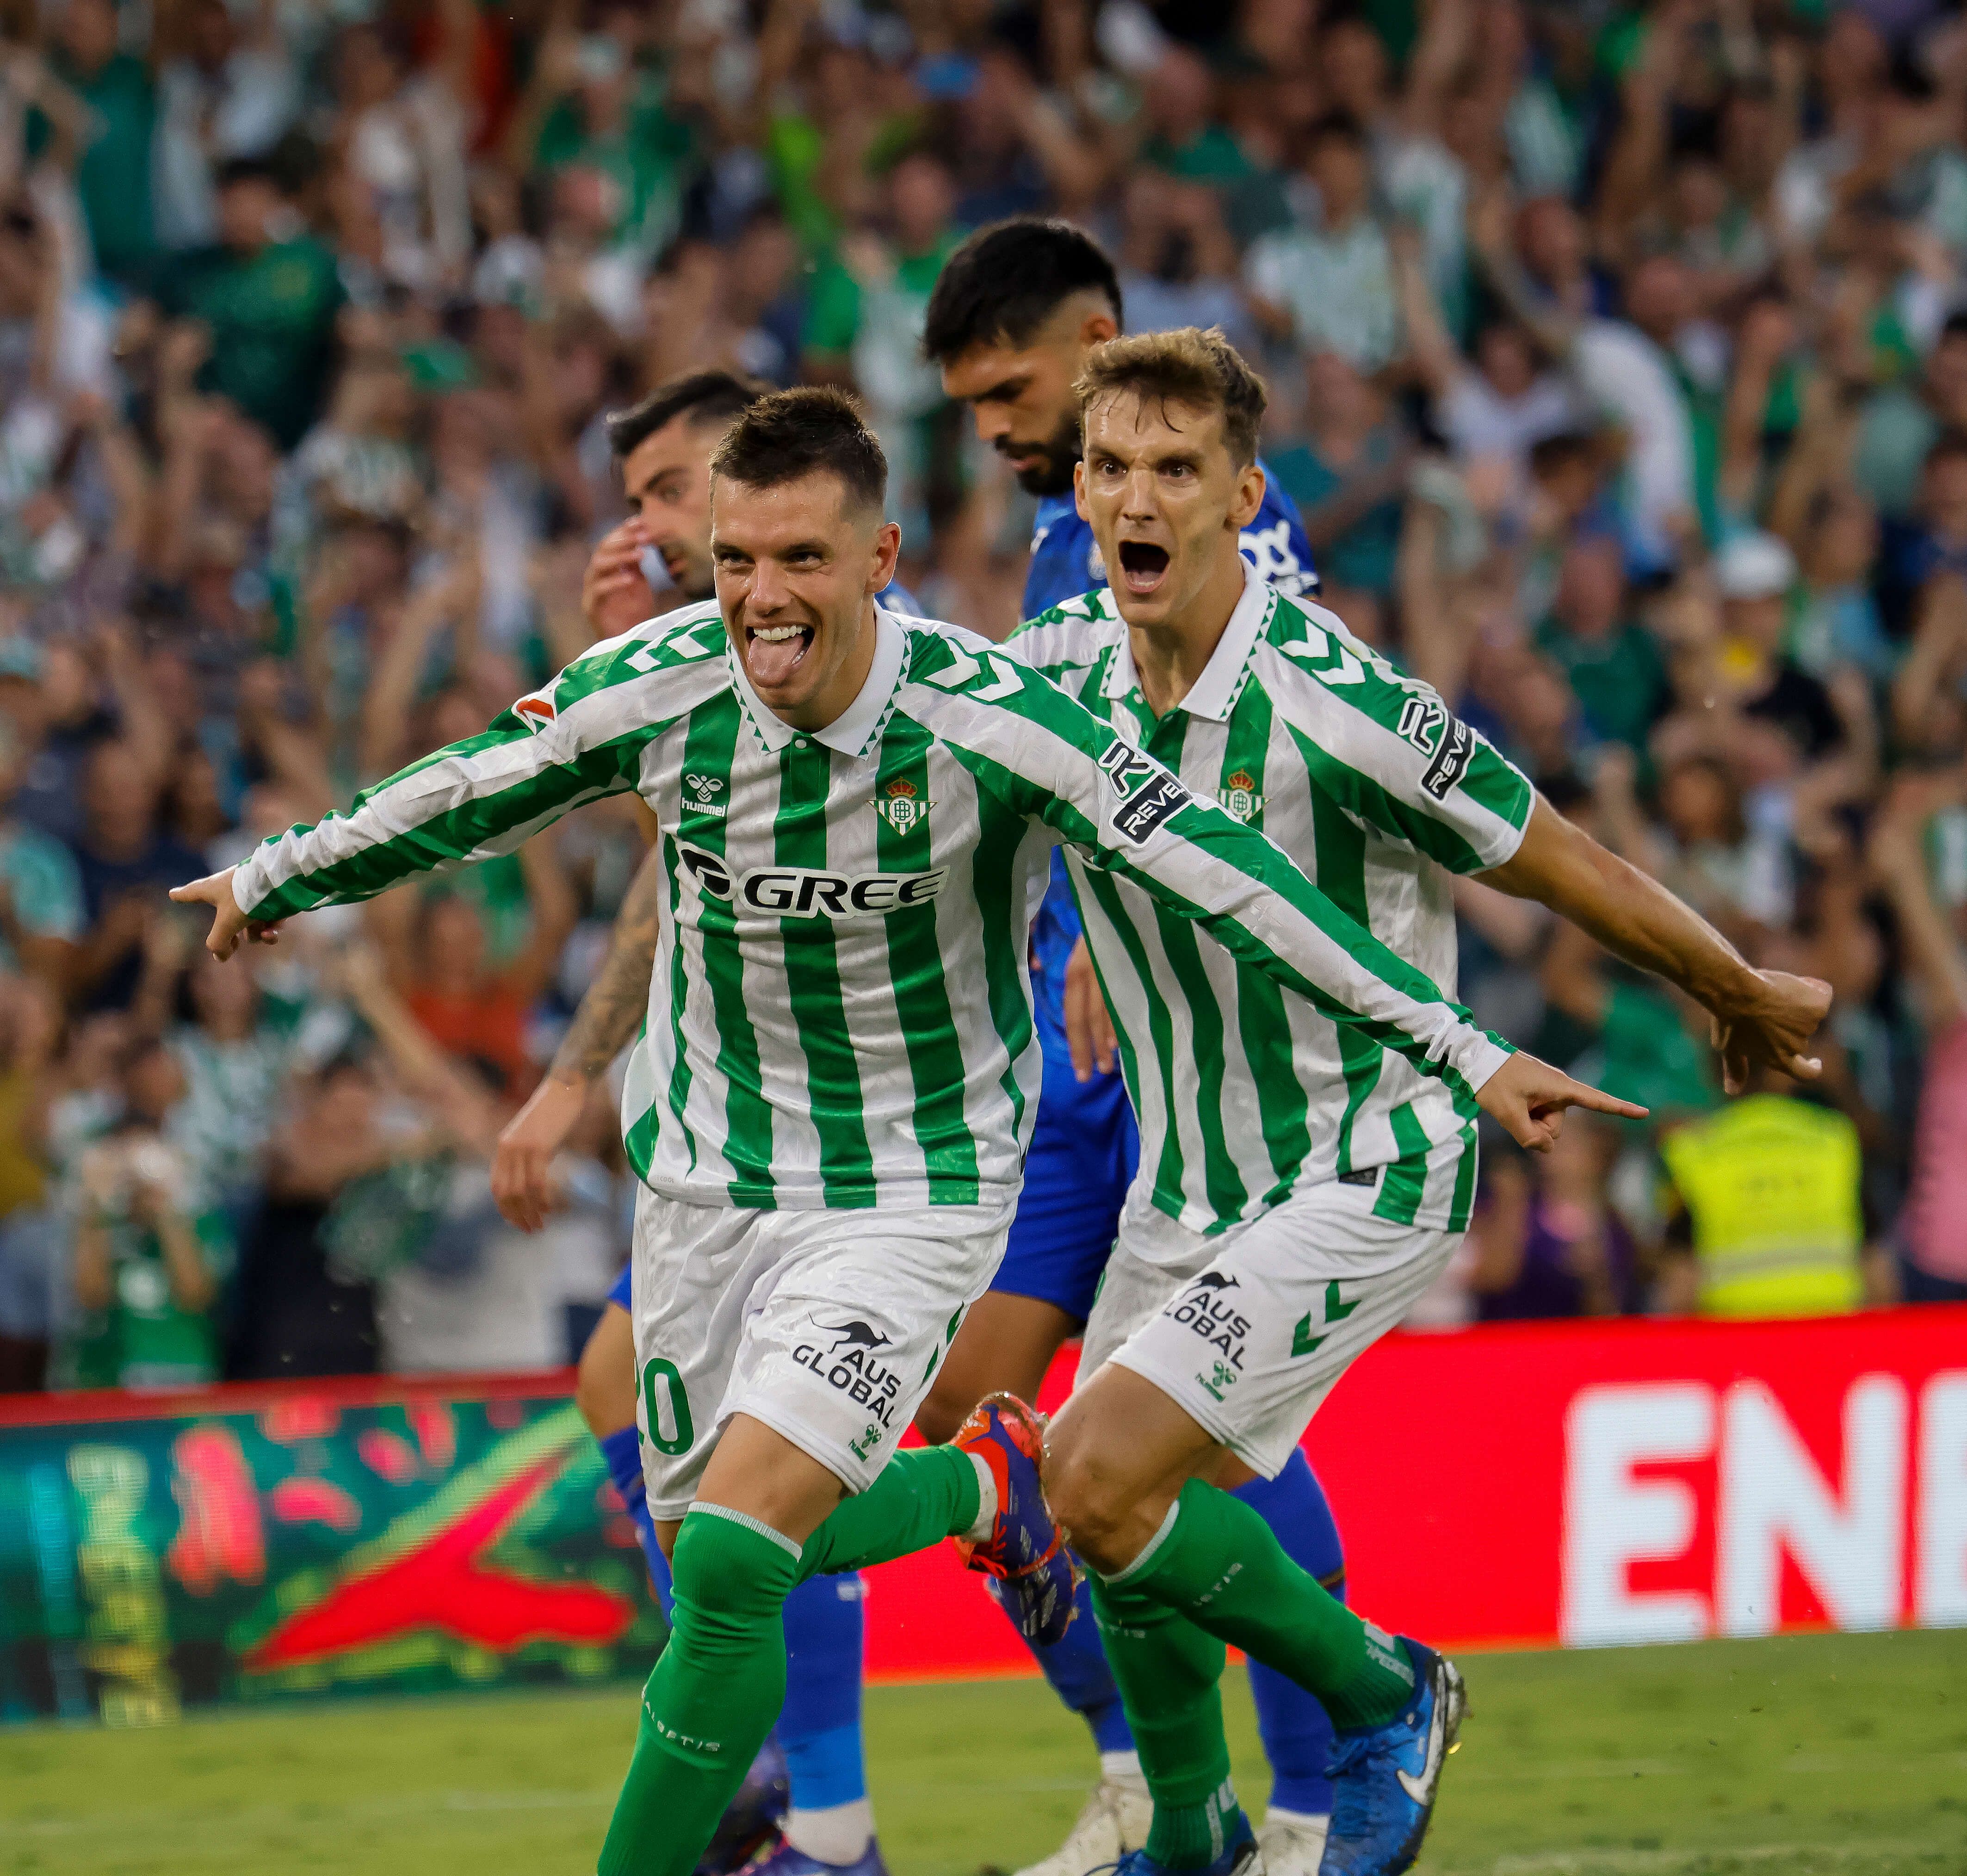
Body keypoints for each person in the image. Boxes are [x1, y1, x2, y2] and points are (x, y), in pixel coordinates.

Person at [173, 385, 1622, 1876]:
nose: (760, 597)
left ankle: (937, 1758)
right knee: (727, 1569)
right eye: (736, 560)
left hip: (910, 1192)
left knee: (734, 1551)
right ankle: (986, 1498)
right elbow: (472, 786)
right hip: (704, 1190)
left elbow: (1230, 875)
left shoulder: (990, 716)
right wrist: (276, 876)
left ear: (879, 559)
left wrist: (1458, 1045)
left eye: (800, 558)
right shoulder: (662, 680)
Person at [1005, 329, 1829, 1876]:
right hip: (1184, 1185)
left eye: (1175, 468)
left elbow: (1559, 858)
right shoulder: (1057, 668)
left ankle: (1385, 1694)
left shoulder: (1344, 703)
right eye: (1109, 466)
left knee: (1096, 1471)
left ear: (1243, 497)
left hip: (1368, 1156)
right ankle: (1188, 1831)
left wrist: (1730, 983)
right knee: (1113, 1525)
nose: (1136, 497)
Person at [925, 216, 1335, 1874]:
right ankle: (1148, 1782)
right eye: (970, 407)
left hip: (1186, 1052)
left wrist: (1119, 907)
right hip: (1069, 1065)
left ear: (1096, 343)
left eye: (1007, 393)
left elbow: (1264, 717)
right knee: (966, 1412)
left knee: (1211, 1430)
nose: (992, 432)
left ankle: (1321, 1792)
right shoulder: (1064, 536)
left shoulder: (1214, 510)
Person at [503, 366, 921, 1875]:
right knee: (630, 1395)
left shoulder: (850, 662)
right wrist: (625, 672)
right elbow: (681, 863)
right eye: (635, 505)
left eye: (671, 494)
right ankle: (789, 1783)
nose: (652, 530)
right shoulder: (717, 660)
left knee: (777, 1479)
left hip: (863, 1143)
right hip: (731, 1129)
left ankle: (827, 1813)